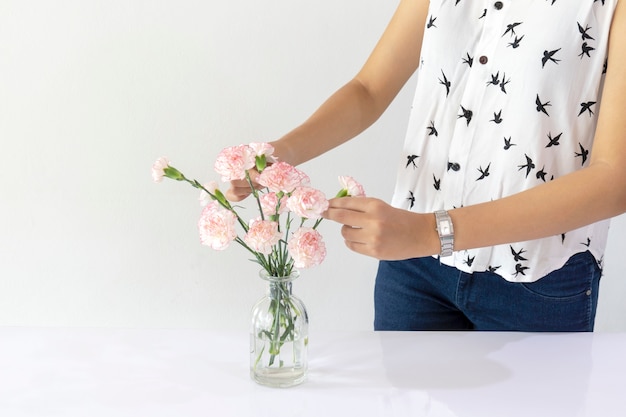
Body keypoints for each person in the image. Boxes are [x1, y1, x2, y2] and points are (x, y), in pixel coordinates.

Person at [226, 0, 626, 331]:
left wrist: (429, 232)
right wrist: (280, 153)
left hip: (537, 276)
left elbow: (615, 179)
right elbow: (369, 88)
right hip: (415, 270)